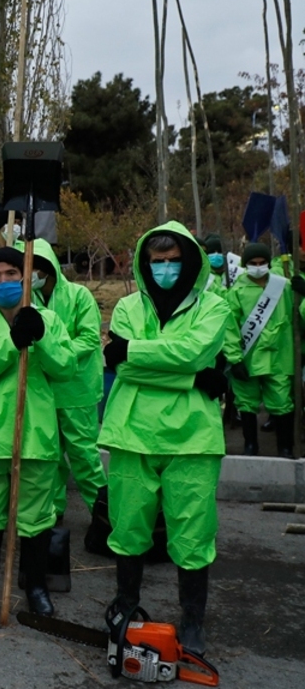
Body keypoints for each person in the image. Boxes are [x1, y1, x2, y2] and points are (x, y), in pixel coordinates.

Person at [99, 222, 228, 658]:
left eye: (174, 261)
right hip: (133, 434)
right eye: (158, 262)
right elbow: (132, 370)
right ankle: (126, 603)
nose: (166, 269)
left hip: (193, 440)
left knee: (193, 533)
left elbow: (189, 351)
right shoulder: (127, 308)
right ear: (145, 263)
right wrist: (195, 379)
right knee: (128, 527)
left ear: (190, 261)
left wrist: (134, 351)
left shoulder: (214, 307)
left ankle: (193, 620)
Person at [0, 247, 73, 617]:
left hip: (34, 435)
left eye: (12, 274)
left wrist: (41, 338)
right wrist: (10, 342)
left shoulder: (49, 320)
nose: (4, 281)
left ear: (25, 278)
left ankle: (37, 585)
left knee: (36, 515)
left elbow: (66, 369)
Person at [30, 240, 107, 519]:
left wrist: (55, 354)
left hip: (77, 391)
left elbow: (89, 338)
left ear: (49, 268)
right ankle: (52, 516)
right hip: (45, 392)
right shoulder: (27, 299)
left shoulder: (79, 296)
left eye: (37, 267)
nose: (32, 274)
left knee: (84, 458)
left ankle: (103, 518)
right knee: (49, 459)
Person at [223, 242, 296, 458]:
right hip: (248, 358)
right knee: (246, 403)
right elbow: (230, 327)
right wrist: (234, 359)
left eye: (262, 263)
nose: (258, 267)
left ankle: (285, 447)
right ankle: (251, 445)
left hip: (279, 357)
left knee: (282, 403)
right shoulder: (236, 292)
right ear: (245, 265)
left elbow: (298, 315)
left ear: (268, 263)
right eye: (253, 263)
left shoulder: (283, 286)